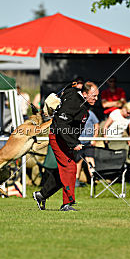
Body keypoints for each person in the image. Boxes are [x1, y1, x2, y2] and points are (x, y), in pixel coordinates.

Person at [33, 81, 99, 211]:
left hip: (66, 137)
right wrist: (73, 143)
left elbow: (68, 89)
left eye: (97, 96)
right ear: (84, 94)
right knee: (70, 168)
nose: (96, 99)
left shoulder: (77, 96)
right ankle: (66, 204)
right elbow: (61, 123)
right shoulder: (74, 102)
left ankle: (41, 195)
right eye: (94, 96)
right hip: (58, 136)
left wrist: (71, 85)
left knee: (63, 172)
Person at [75, 109, 99, 185]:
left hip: (89, 143)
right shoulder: (75, 113)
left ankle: (93, 178)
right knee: (78, 161)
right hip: (78, 142)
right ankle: (76, 180)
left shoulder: (91, 114)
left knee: (90, 160)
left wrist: (94, 138)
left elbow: (96, 125)